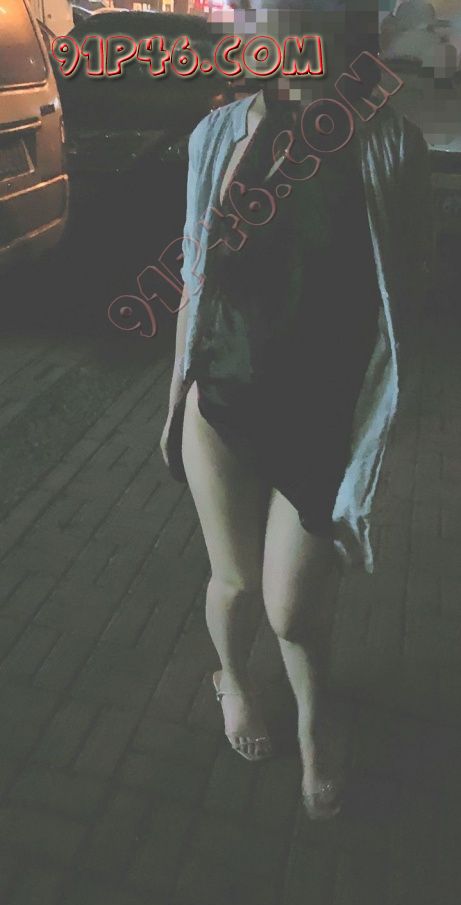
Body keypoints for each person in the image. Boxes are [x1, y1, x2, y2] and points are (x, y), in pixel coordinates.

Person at [160, 0, 433, 820]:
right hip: (221, 396)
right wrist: (173, 402)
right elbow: (195, 278)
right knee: (235, 584)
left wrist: (388, 412)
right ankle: (232, 681)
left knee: (292, 609)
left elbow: (405, 291)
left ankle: (318, 723)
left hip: (323, 414)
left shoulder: (388, 144)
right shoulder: (219, 135)